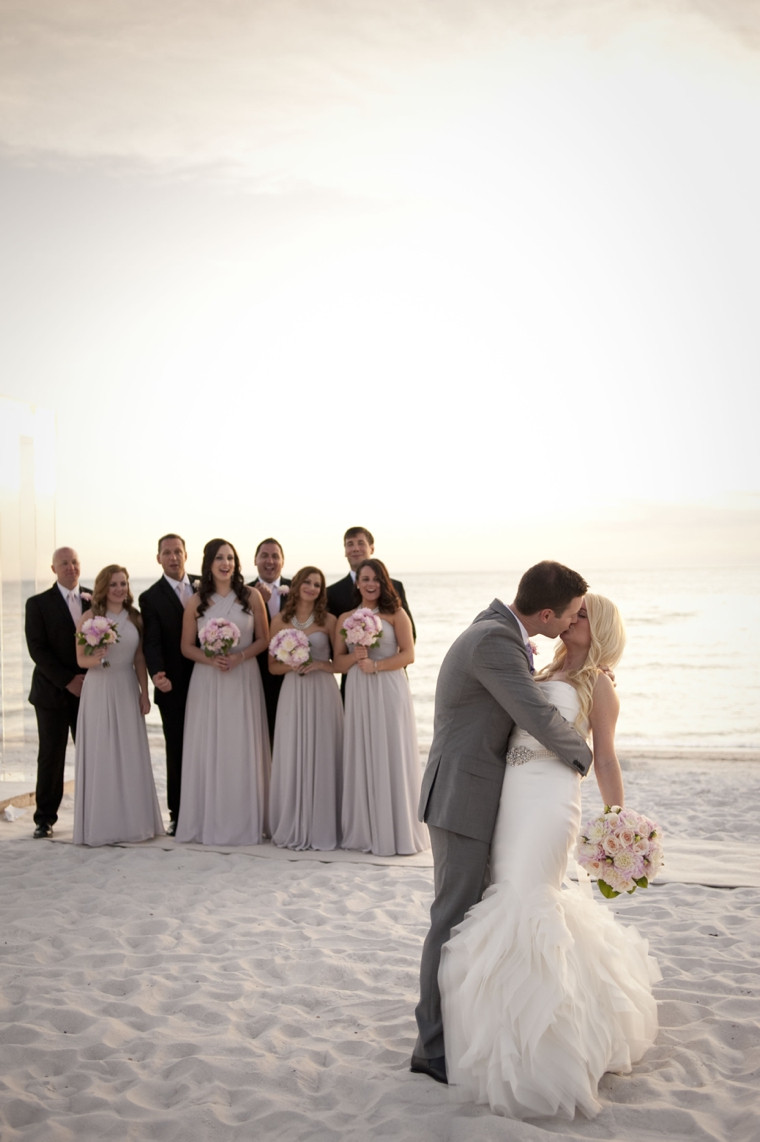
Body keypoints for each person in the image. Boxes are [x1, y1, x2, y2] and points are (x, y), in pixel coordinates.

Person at [439, 594, 661, 1119]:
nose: (570, 617)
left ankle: (545, 1049)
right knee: (505, 895)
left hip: (551, 799)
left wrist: (616, 821)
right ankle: (500, 1032)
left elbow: (604, 756)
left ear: (598, 626)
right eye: (570, 611)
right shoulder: (543, 665)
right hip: (511, 792)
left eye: (582, 614)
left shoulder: (599, 684)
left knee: (527, 900)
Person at [412, 561, 593, 1085]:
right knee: (450, 920)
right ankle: (431, 1047)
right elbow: (533, 712)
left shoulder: (495, 629)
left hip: (471, 793)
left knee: (463, 917)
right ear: (545, 613)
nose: (573, 621)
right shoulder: (495, 640)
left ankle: (459, 1031)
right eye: (573, 614)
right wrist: (584, 755)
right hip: (461, 797)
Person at [176, 538, 271, 846]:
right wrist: (211, 659)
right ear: (209, 562)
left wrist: (239, 656)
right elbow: (186, 646)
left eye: (230, 557)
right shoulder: (196, 601)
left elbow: (264, 639)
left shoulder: (251, 596)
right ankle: (209, 819)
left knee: (241, 745)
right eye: (219, 557)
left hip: (243, 677)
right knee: (211, 744)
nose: (226, 563)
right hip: (208, 680)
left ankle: (246, 819)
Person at [334, 558, 428, 856]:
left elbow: (409, 654)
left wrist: (376, 665)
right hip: (359, 689)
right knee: (362, 751)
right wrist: (357, 657)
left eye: (375, 578)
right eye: (364, 578)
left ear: (383, 581)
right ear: (357, 583)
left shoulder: (396, 613)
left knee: (391, 750)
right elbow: (338, 662)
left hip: (389, 686)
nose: (370, 583)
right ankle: (364, 830)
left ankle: (396, 829)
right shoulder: (346, 618)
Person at [73, 565, 164, 846]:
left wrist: (144, 692)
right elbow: (80, 660)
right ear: (103, 587)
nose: (119, 589)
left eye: (123, 583)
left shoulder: (135, 618)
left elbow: (139, 658)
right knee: (103, 752)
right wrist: (98, 657)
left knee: (129, 751)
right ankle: (103, 823)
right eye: (113, 584)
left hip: (126, 686)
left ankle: (133, 821)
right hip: (99, 687)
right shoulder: (90, 617)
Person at [268, 566, 343, 850]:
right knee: (293, 752)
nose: (312, 587)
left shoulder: (329, 621)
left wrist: (319, 665)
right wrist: (291, 664)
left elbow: (338, 663)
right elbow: (272, 667)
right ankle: (294, 820)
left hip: (322, 690)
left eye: (317, 584)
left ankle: (322, 824)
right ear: (297, 585)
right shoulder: (279, 621)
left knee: (323, 752)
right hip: (293, 691)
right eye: (308, 582)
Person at [25, 547, 91, 838]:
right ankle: (45, 819)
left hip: (88, 691)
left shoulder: (94, 599)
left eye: (74, 562)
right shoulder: (37, 603)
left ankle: (93, 812)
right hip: (51, 692)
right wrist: (68, 680)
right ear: (53, 569)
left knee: (91, 752)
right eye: (63, 563)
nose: (70, 567)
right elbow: (37, 649)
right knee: (51, 755)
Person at [138, 534, 196, 835]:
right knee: (177, 750)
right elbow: (151, 641)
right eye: (167, 553)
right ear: (158, 558)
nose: (173, 557)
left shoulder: (205, 585)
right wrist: (156, 674)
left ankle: (208, 804)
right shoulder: (150, 597)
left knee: (209, 746)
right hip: (172, 685)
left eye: (178, 551)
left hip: (209, 680)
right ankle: (178, 811)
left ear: (186, 554)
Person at [326, 526, 415, 637]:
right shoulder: (331, 593)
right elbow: (332, 640)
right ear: (345, 551)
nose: (355, 548)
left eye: (361, 543)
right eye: (350, 544)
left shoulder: (395, 586)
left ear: (372, 549)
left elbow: (411, 635)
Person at [248, 538, 292, 745]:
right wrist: (259, 603)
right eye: (264, 555)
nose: (270, 561)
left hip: (290, 674)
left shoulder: (299, 590)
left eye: (275, 556)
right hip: (254, 674)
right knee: (258, 737)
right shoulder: (243, 592)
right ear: (255, 560)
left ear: (283, 561)